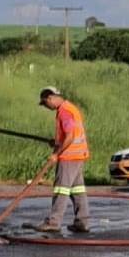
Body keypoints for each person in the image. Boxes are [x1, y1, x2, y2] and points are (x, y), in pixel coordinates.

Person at [36, 87, 91, 233]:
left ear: (50, 98)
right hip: (78, 155)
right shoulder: (70, 108)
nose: (46, 107)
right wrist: (56, 142)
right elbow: (67, 135)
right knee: (77, 190)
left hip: (69, 156)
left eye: (45, 104)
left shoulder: (64, 112)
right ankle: (82, 221)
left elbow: (70, 136)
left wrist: (56, 153)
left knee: (61, 188)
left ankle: (54, 222)